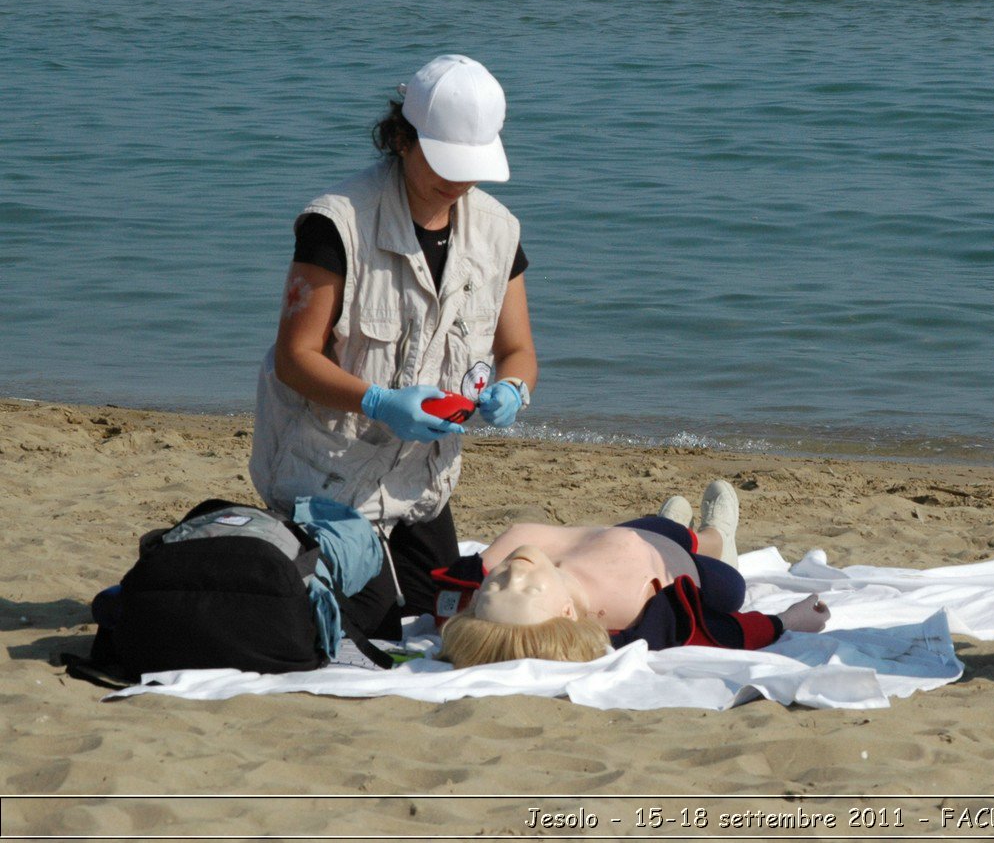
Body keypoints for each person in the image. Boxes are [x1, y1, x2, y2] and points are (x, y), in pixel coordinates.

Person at [250, 54, 538, 639]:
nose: (458, 181)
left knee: (444, 616)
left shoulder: (498, 230)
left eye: (470, 165)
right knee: (366, 625)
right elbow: (294, 358)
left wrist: (513, 389)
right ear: (402, 139)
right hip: (328, 474)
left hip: (421, 486)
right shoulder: (337, 223)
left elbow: (519, 349)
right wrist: (379, 402)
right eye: (443, 161)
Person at [437, 480, 831, 666]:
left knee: (660, 529)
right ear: (567, 614)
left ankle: (679, 530)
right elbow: (711, 634)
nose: (512, 574)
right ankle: (716, 538)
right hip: (693, 572)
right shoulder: (622, 615)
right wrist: (787, 620)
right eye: (523, 592)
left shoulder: (477, 578)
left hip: (618, 536)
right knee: (727, 581)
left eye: (496, 586)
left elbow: (442, 604)